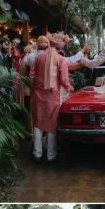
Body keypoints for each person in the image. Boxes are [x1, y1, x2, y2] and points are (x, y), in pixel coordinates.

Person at [30, 33, 71, 162]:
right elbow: (64, 80)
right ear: (60, 47)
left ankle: (37, 153)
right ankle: (50, 155)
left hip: (38, 94)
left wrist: (36, 87)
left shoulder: (39, 57)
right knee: (52, 124)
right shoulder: (61, 60)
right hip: (53, 96)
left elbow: (31, 75)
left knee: (38, 123)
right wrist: (69, 89)